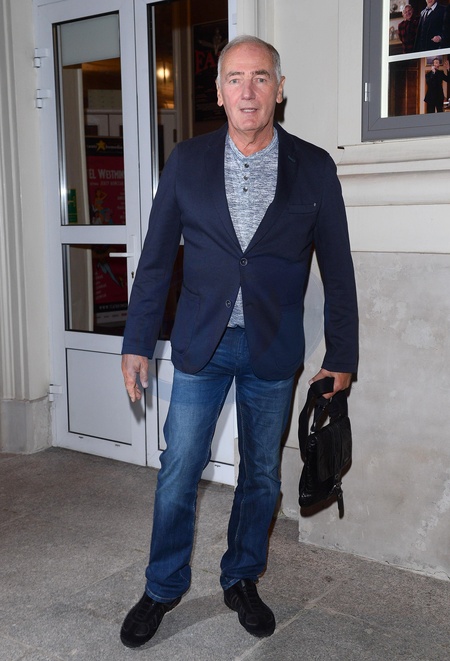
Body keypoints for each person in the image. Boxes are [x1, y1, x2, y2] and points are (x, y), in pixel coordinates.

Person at [119, 35, 358, 649]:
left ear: (279, 89)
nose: (247, 91)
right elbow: (155, 261)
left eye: (260, 78)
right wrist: (136, 341)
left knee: (261, 475)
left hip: (272, 349)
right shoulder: (187, 161)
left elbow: (338, 268)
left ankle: (242, 577)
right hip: (202, 344)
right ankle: (162, 587)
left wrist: (341, 356)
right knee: (179, 468)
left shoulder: (314, 167)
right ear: (220, 91)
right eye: (235, 79)